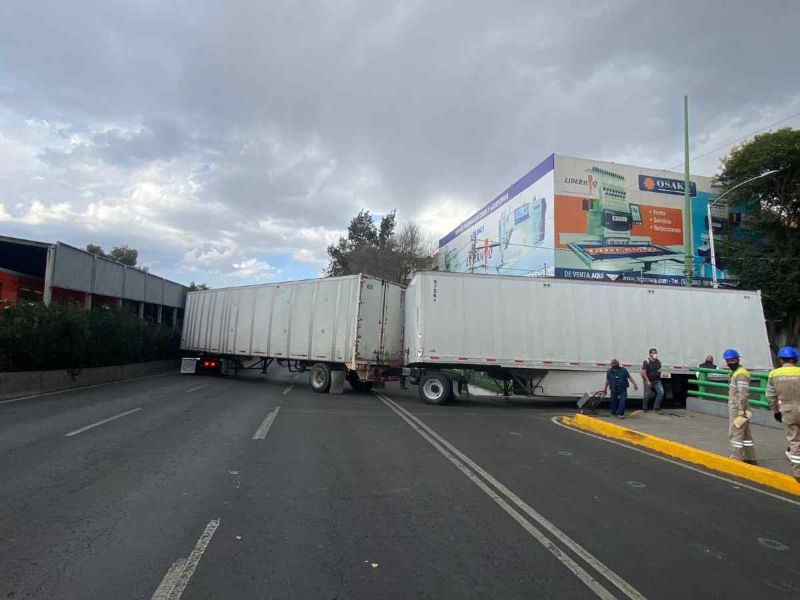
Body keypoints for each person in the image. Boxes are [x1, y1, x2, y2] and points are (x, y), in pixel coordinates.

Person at [766, 346, 800, 483]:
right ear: (795, 359)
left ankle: (798, 471)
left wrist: (776, 411)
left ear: (781, 359)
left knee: (794, 440)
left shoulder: (774, 374)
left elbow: (770, 396)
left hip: (787, 410)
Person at [723, 348, 757, 465]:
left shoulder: (741, 374)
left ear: (738, 359)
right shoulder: (736, 372)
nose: (730, 363)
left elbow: (743, 394)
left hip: (739, 408)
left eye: (732, 360)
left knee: (735, 432)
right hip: (742, 408)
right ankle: (750, 457)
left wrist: (741, 411)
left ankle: (736, 457)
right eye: (728, 361)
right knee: (746, 433)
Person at [640, 348, 664, 412]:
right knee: (647, 395)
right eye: (653, 353)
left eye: (656, 353)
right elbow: (644, 372)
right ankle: (645, 408)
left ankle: (656, 407)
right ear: (650, 354)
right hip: (648, 380)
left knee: (661, 392)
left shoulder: (658, 362)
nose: (655, 354)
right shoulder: (646, 362)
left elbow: (659, 370)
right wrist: (647, 381)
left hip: (657, 380)